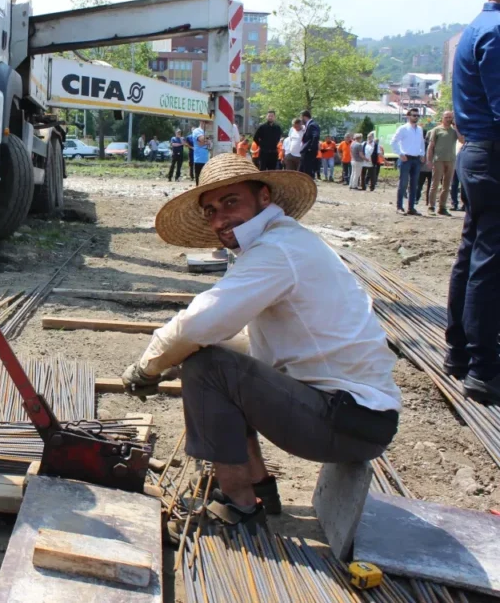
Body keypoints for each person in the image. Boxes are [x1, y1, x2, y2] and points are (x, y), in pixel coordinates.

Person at [121, 154, 400, 527]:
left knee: (206, 366)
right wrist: (176, 356)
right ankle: (260, 489)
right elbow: (236, 340)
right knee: (212, 354)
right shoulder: (285, 242)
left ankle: (236, 504)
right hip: (357, 416)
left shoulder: (277, 251)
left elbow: (198, 323)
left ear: (264, 197)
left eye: (231, 201)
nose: (220, 218)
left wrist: (148, 366)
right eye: (211, 210)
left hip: (346, 423)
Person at [446, 0, 500, 405]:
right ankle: (484, 368)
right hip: (493, 152)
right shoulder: (498, 33)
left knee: (474, 251)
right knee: (490, 259)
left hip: (477, 152)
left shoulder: (474, 30)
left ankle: (460, 352)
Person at [427, 111, 461, 216]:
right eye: (446, 117)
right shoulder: (436, 130)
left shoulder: (454, 131)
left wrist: (457, 128)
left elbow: (462, 140)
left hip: (451, 160)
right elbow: (431, 146)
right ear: (442, 118)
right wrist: (429, 160)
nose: (448, 119)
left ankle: (442, 207)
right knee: (435, 184)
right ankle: (431, 206)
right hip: (438, 160)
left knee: (447, 185)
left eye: (450, 117)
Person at [392, 109, 426, 215]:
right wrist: (400, 154)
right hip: (406, 158)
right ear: (408, 116)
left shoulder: (420, 129)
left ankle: (411, 208)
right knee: (403, 183)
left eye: (417, 115)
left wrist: (422, 154)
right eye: (414, 115)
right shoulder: (403, 128)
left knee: (414, 184)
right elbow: (393, 141)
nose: (416, 117)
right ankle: (399, 207)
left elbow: (422, 143)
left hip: (416, 159)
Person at [300, 110, 321, 179]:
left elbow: (316, 136)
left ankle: (309, 186)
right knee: (303, 169)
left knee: (307, 170)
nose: (301, 119)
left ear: (304, 117)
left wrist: (311, 148)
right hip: (307, 151)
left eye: (301, 117)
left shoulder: (312, 125)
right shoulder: (309, 125)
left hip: (309, 151)